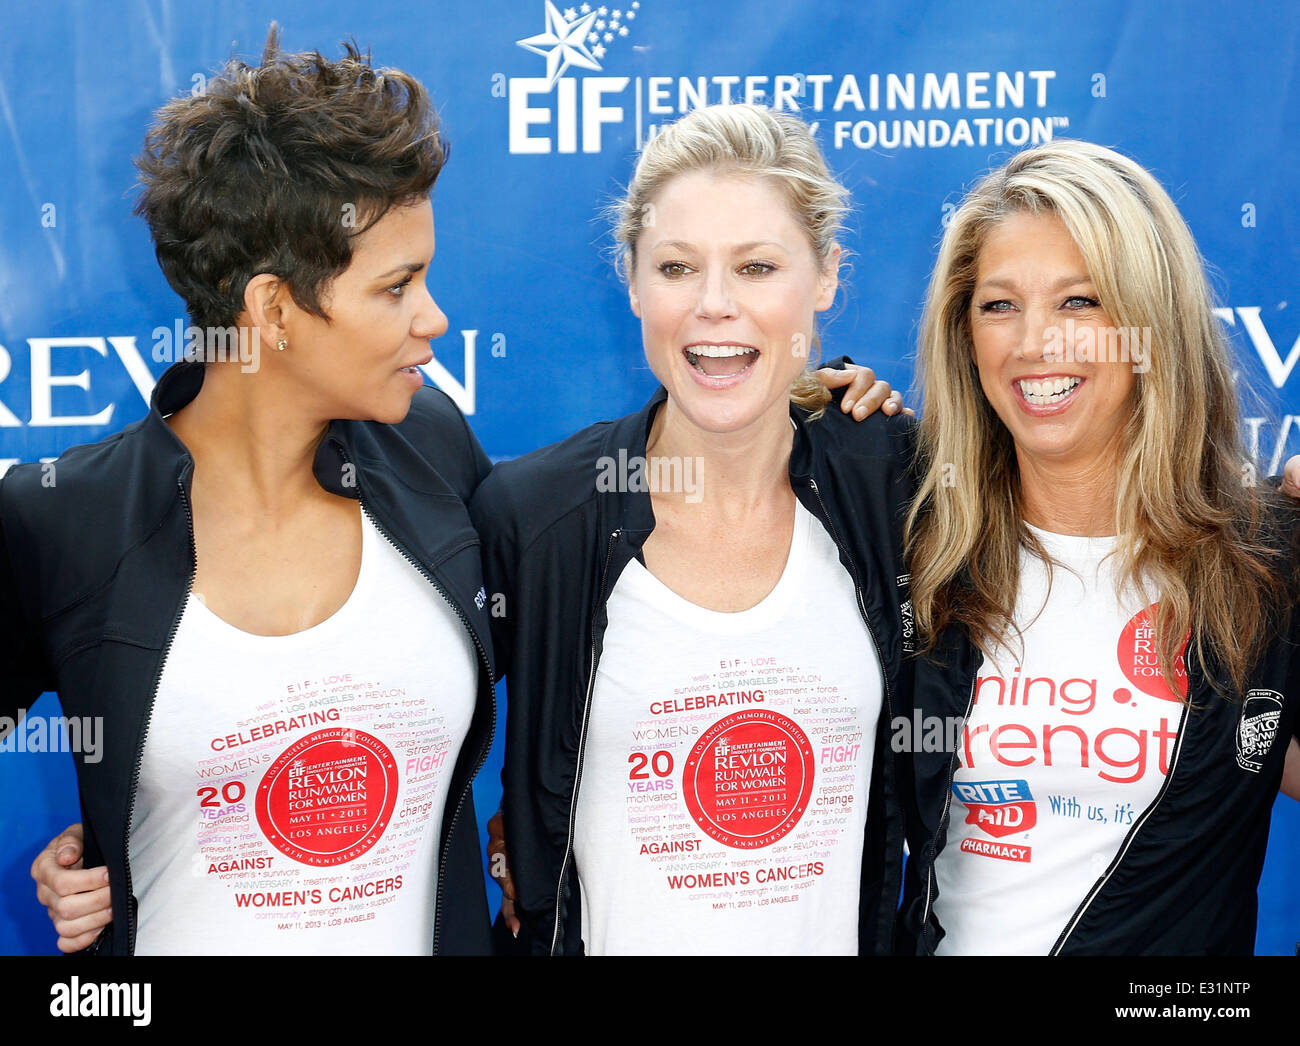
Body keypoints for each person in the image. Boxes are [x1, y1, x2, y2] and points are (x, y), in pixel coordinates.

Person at [3, 29, 500, 955]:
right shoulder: (61, 517)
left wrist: (833, 432)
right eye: (397, 287)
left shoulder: (433, 449)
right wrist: (102, 842)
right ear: (272, 309)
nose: (434, 318)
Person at [471, 104, 917, 955]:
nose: (714, 306)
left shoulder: (895, 492)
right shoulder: (535, 518)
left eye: (757, 267)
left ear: (826, 277)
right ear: (632, 280)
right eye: (677, 267)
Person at [898, 139, 1300, 955]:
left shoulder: (1263, 564)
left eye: (1079, 302)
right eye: (999, 306)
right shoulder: (915, 547)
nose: (1034, 343)